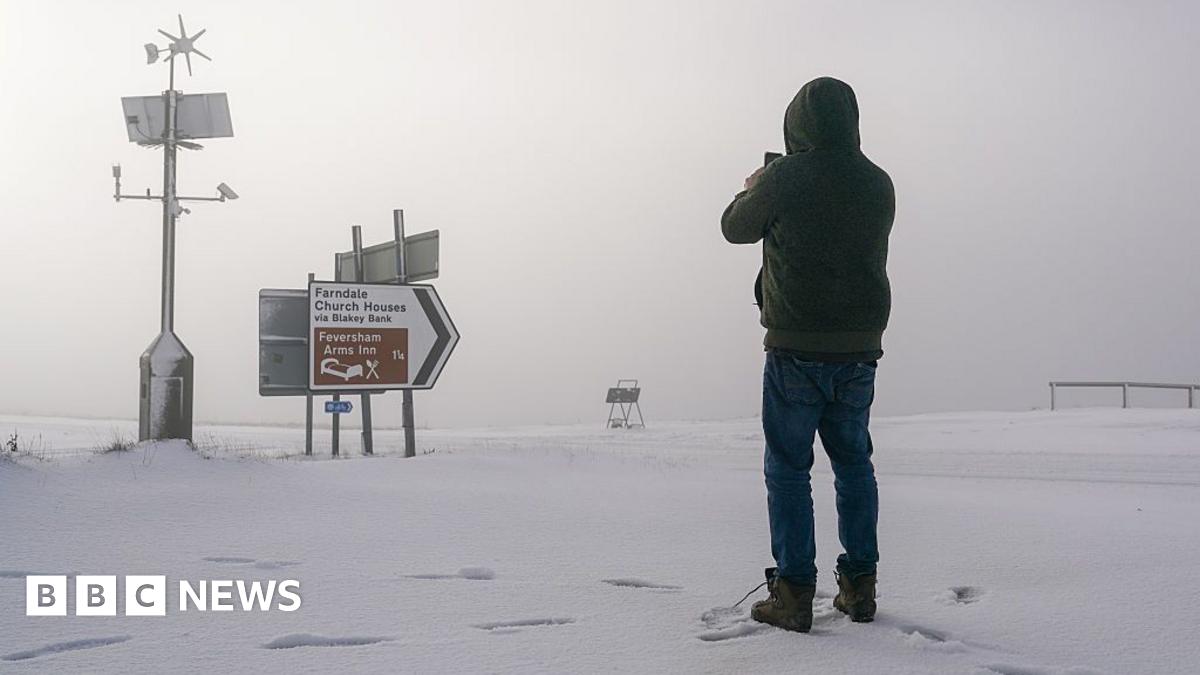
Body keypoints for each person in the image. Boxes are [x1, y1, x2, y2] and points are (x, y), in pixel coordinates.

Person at [720, 77, 895, 633]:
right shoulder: (878, 182)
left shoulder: (784, 177)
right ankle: (859, 587)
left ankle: (794, 594)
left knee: (790, 471)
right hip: (860, 348)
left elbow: (734, 229)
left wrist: (755, 186)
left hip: (795, 346)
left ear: (796, 123)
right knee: (854, 466)